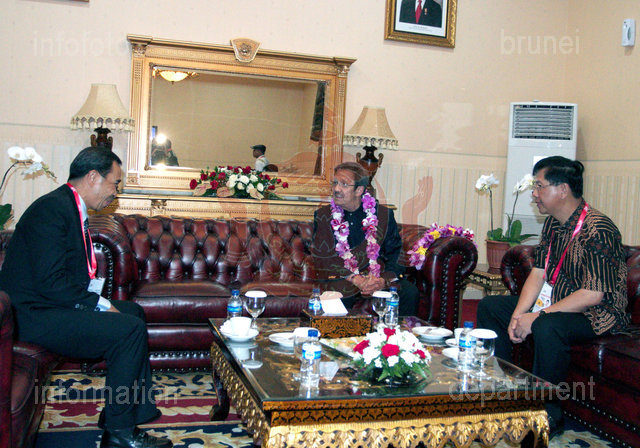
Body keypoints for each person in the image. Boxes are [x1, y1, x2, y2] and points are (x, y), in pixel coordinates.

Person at [0, 147, 173, 448]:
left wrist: (100, 305)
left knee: (133, 313)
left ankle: (133, 410)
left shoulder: (67, 205)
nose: (115, 193)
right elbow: (52, 283)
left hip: (47, 304)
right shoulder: (51, 210)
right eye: (114, 183)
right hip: (29, 315)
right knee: (127, 330)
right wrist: (99, 305)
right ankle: (119, 433)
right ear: (93, 177)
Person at [476, 156, 629, 439]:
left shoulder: (598, 229)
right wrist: (518, 316)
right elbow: (538, 273)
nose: (534, 193)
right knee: (491, 307)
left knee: (547, 325)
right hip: (559, 302)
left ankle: (547, 414)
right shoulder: (553, 225)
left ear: (563, 189)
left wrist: (537, 316)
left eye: (539, 186)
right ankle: (502, 394)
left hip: (597, 313)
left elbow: (593, 294)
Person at [312, 162, 419, 315]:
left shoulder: (383, 216)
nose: (336, 189)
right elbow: (323, 258)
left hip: (376, 277)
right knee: (339, 294)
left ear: (359, 190)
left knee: (409, 292)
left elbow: (396, 255)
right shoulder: (323, 216)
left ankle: (396, 330)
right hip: (343, 278)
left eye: (344, 184)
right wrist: (355, 279)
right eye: (335, 183)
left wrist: (382, 281)